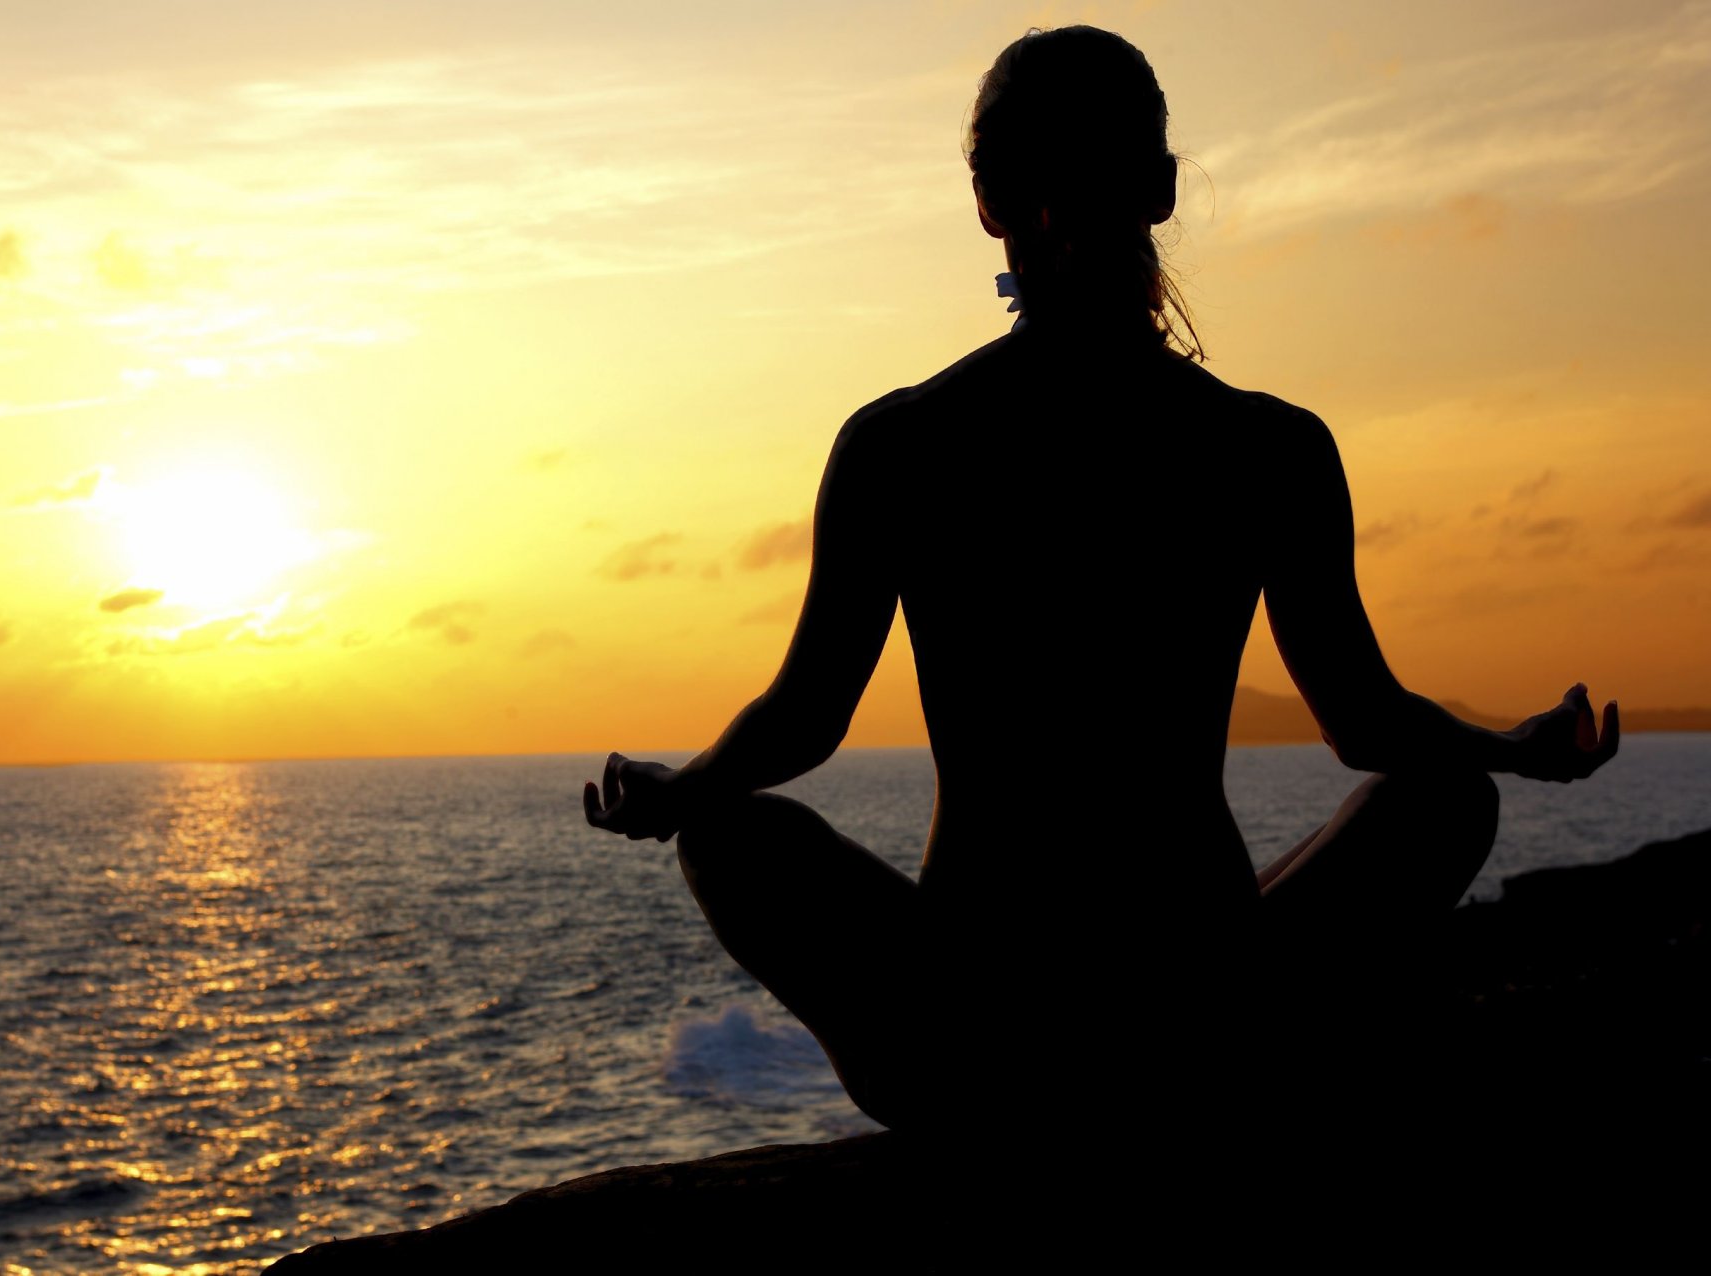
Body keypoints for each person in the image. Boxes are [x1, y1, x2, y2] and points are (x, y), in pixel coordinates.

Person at [581, 25, 1618, 1137]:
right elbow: (1367, 725)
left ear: (986, 202)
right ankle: (1224, 1081)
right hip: (1207, 1019)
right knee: (1450, 795)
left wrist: (680, 791)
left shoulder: (903, 443)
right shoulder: (1266, 447)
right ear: (1163, 188)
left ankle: (977, 1112)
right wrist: (1509, 751)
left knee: (731, 836)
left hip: (977, 1033)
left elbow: (806, 716)